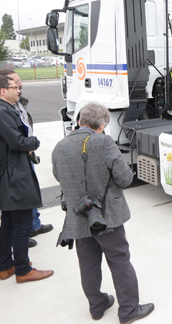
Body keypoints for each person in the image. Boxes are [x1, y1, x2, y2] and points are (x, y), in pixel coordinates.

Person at [52, 103, 155, 323]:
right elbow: (125, 178)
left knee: (87, 262)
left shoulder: (60, 146)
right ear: (103, 125)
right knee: (119, 260)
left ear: (79, 121)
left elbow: (58, 176)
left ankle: (97, 306)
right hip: (106, 216)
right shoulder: (103, 141)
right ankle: (129, 310)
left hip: (78, 215)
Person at [0, 75, 54, 283]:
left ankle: (6, 267)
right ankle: (22, 269)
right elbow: (17, 141)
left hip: (10, 175)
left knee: (9, 222)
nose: (19, 89)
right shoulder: (1, 111)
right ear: (3, 90)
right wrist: (34, 142)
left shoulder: (2, 109)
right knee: (21, 224)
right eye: (14, 87)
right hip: (14, 176)